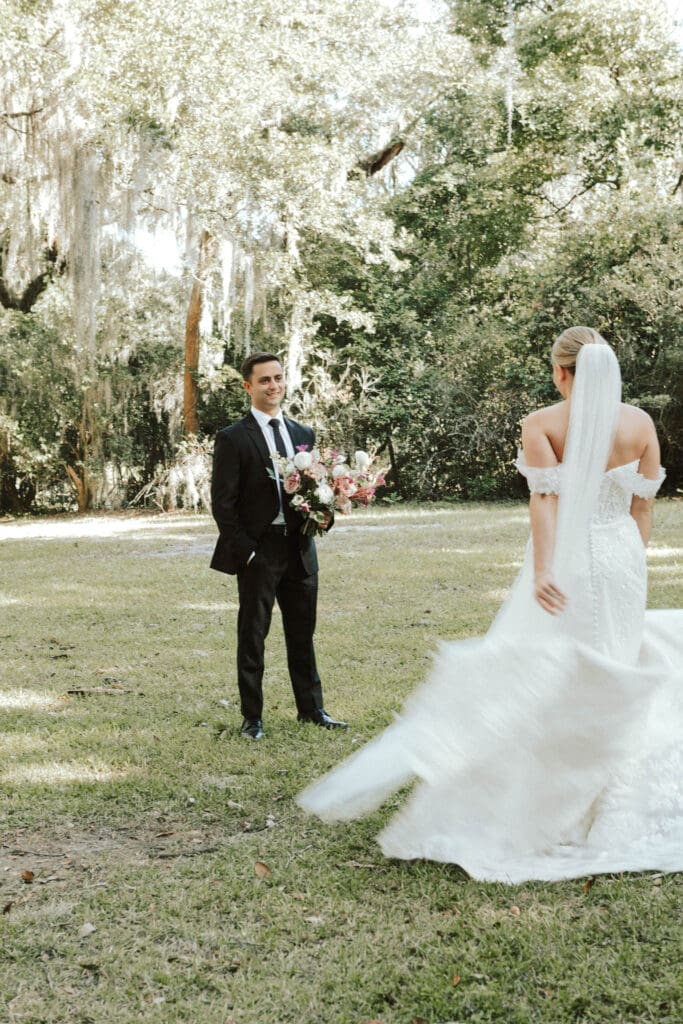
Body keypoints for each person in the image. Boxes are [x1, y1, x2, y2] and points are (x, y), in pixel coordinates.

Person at [298, 328, 682, 882]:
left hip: (569, 560)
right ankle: (607, 796)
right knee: (614, 663)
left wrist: (547, 570)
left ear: (562, 372)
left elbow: (545, 502)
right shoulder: (641, 424)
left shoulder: (542, 424)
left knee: (550, 663)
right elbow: (642, 508)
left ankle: (548, 798)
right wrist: (629, 560)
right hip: (624, 559)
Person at [210, 351, 347, 740]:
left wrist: (326, 511)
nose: (273, 386)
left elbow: (318, 489)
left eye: (278, 378)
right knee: (253, 636)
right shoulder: (233, 438)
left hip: (301, 549)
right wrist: (249, 552)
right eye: (265, 380)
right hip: (259, 551)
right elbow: (223, 504)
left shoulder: (303, 434)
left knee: (303, 634)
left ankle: (312, 710)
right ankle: (252, 718)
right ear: (248, 386)